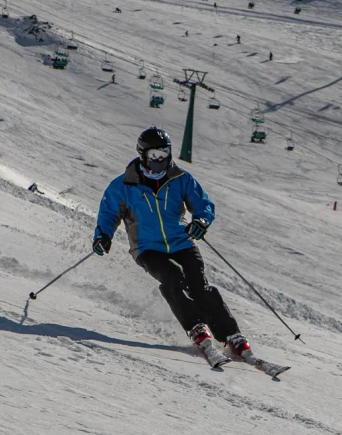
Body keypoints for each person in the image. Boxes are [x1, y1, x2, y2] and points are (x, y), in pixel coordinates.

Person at [92, 127, 253, 361]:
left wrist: (200, 220)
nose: (161, 160)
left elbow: (204, 204)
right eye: (155, 155)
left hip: (181, 242)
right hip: (147, 248)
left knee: (199, 285)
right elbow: (108, 214)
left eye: (165, 153)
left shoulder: (181, 179)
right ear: (143, 155)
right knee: (173, 277)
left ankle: (230, 335)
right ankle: (196, 327)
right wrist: (102, 236)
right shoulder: (124, 185)